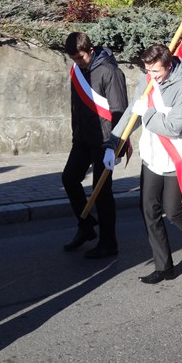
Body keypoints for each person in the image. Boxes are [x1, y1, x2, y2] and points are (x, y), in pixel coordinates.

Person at [105, 44, 182, 284]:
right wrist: (114, 142)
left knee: (174, 210)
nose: (151, 75)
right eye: (148, 70)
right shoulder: (146, 80)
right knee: (149, 210)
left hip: (175, 158)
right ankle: (164, 266)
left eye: (156, 70)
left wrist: (146, 112)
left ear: (169, 65)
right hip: (152, 156)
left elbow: (172, 127)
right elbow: (132, 114)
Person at [61, 32, 128, 258]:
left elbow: (119, 111)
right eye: (73, 59)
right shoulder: (77, 70)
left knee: (102, 192)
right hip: (83, 139)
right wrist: (75, 134)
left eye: (80, 57)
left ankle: (109, 242)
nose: (77, 62)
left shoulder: (110, 72)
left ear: (90, 50)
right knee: (69, 179)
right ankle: (86, 226)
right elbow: (75, 106)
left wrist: (116, 146)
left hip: (104, 142)